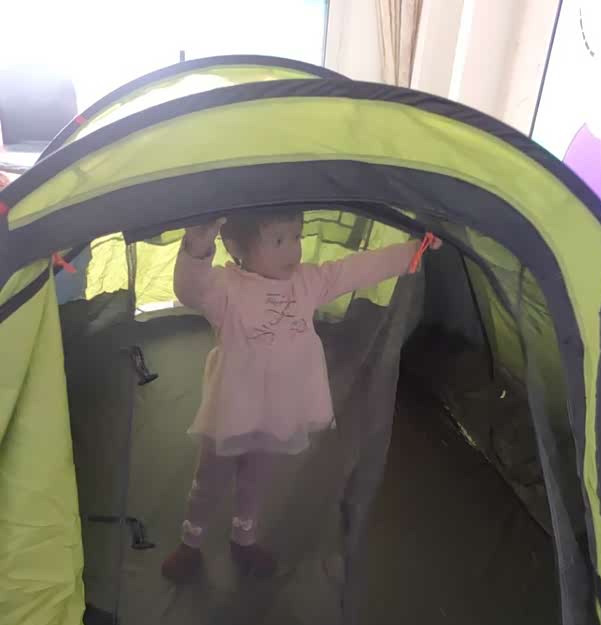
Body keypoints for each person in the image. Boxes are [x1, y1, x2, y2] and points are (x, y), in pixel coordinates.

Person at [162, 208, 441, 581]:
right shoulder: (225, 289)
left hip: (279, 410)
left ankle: (244, 539)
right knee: (210, 479)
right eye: (278, 240)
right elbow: (190, 290)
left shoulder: (307, 282)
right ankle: (191, 542)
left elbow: (355, 270)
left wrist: (412, 251)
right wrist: (196, 248)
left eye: (296, 236)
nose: (292, 250)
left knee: (256, 479)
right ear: (235, 247)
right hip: (232, 409)